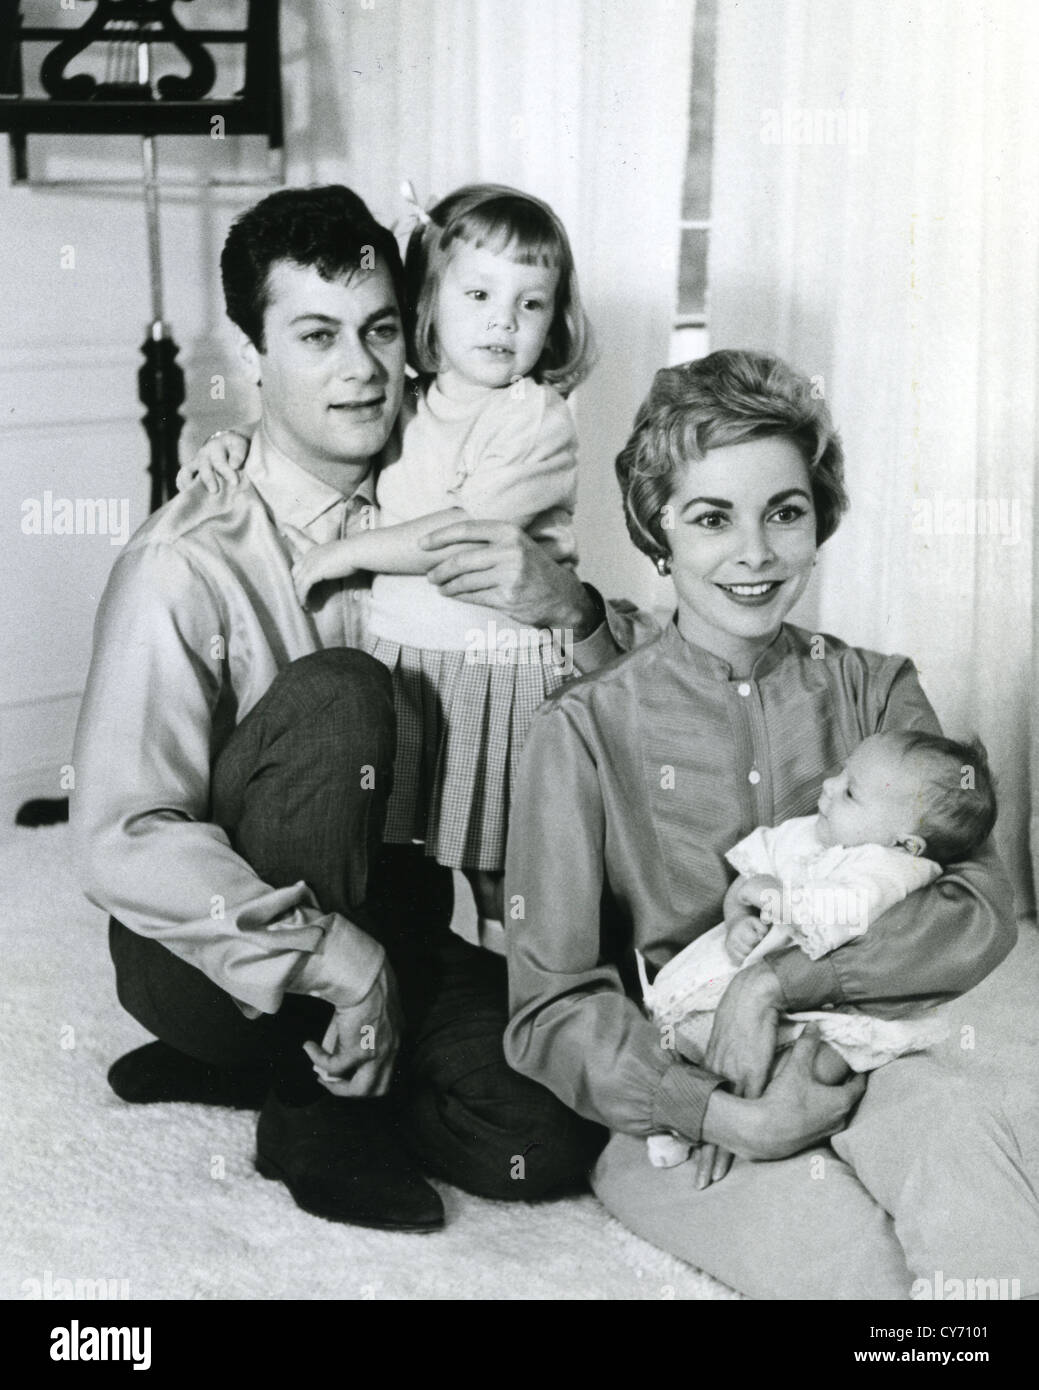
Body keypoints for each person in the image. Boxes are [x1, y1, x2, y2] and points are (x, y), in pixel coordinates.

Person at [71, 185, 634, 1234]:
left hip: (402, 911)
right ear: (252, 358)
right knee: (341, 697)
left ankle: (298, 1062)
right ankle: (300, 1101)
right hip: (212, 945)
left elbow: (618, 691)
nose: (361, 368)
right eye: (317, 336)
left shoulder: (452, 476)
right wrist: (338, 957)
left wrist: (571, 606)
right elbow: (118, 837)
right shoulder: (184, 558)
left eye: (380, 329)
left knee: (545, 1140)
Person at [503, 350, 1034, 1298]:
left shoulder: (875, 687)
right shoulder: (580, 728)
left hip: (875, 1052)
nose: (754, 554)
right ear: (655, 533)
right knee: (858, 1266)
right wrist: (717, 1113)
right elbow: (548, 1008)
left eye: (782, 513)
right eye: (712, 518)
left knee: (982, 1205)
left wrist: (773, 988)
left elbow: (977, 904)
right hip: (693, 1098)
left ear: (816, 519)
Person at [196, 184, 596, 933]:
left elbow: (457, 527)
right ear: (430, 304)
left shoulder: (532, 417)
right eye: (478, 294)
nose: (503, 322)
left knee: (495, 872)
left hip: (491, 666)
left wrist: (342, 553)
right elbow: (320, 426)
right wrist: (237, 444)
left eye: (531, 303)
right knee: (401, 847)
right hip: (411, 661)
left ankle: (528, 994)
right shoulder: (413, 399)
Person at [642, 728, 998, 1167]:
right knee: (671, 1036)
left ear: (905, 843)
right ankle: (700, 1117)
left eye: (850, 793)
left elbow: (844, 912)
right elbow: (749, 879)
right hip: (734, 975)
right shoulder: (810, 833)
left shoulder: (891, 870)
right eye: (841, 772)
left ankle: (736, 1118)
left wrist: (780, 898)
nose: (828, 788)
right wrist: (738, 915)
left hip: (816, 1009)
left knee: (816, 1059)